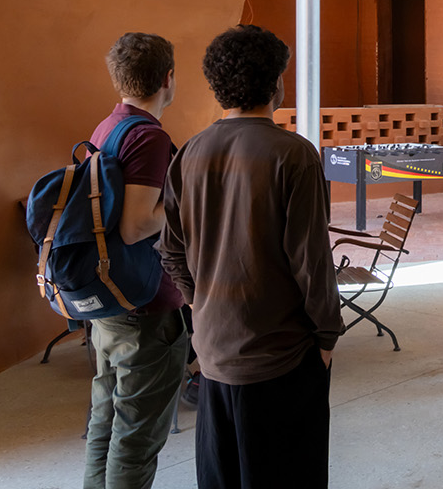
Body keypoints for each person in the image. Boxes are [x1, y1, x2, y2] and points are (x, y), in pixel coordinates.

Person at [160, 25, 342, 489]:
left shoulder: (189, 153)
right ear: (276, 83)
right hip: (282, 358)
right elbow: (312, 262)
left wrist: (200, 304)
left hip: (214, 353)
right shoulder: (294, 155)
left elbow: (171, 250)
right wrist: (325, 336)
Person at [84, 32, 189, 489]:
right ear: (168, 78)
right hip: (145, 309)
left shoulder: (107, 127)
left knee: (106, 423)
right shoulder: (147, 137)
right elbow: (136, 225)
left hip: (111, 300)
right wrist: (190, 202)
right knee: (137, 437)